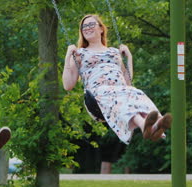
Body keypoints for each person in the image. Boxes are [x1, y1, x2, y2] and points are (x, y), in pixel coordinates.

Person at [62, 14, 172, 144]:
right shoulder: (80, 54)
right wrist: (68, 56)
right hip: (98, 94)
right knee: (120, 95)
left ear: (101, 29)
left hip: (120, 90)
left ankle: (155, 127)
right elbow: (67, 85)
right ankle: (147, 126)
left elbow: (128, 82)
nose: (87, 28)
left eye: (91, 24)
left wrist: (129, 57)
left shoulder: (114, 52)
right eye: (84, 26)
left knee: (135, 92)